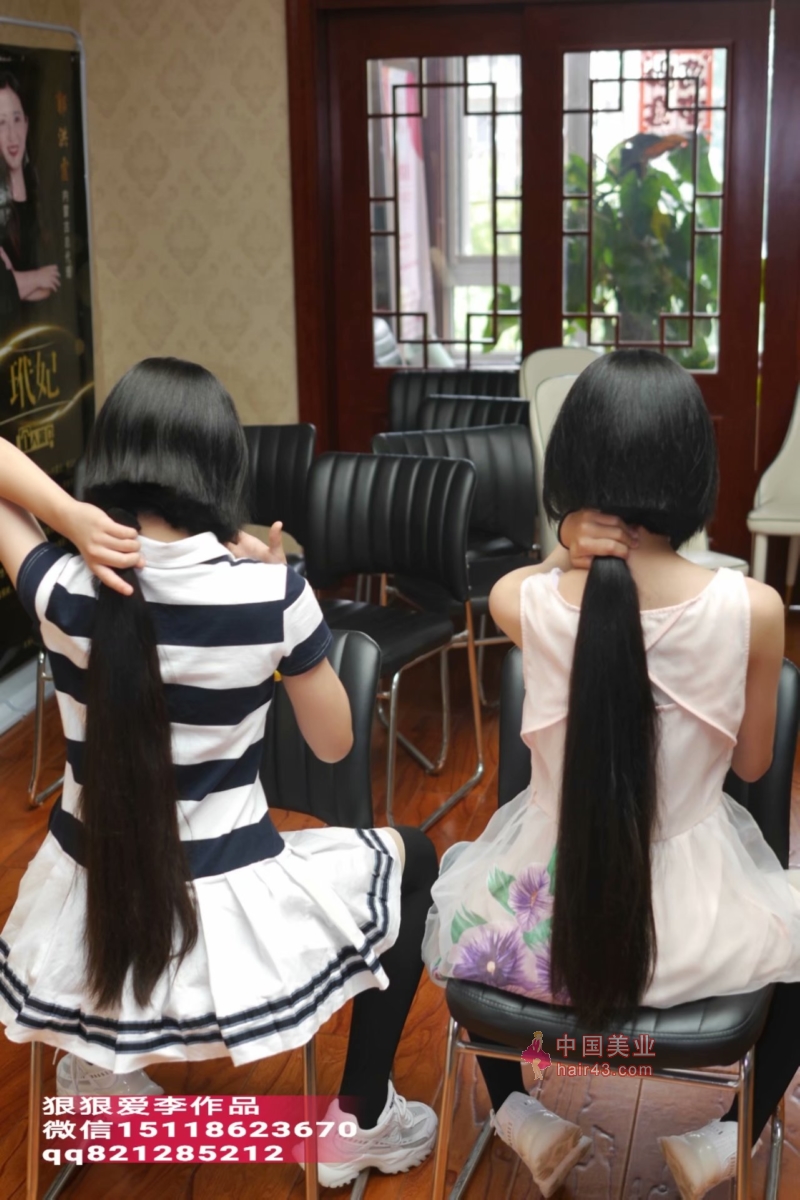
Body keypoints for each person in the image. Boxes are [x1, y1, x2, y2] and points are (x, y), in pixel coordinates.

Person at [0, 357, 439, 1189]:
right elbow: (334, 746)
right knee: (415, 860)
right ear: (221, 467)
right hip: (224, 923)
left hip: (83, 916)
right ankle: (359, 1119)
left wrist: (67, 516)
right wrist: (285, 605)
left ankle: (99, 1069)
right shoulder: (273, 594)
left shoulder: (60, 589)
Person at [423, 348, 799, 1200]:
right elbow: (752, 763)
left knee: (458, 909)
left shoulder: (525, 601)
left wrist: (564, 549)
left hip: (538, 929)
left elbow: (531, 584)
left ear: (573, 467)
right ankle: (724, 1140)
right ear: (691, 470)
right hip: (696, 937)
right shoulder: (753, 609)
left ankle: (523, 1117)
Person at [0, 71, 60, 308]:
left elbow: (55, 282)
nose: (12, 135)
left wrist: (16, 280)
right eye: (1, 123)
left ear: (26, 124)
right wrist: (36, 277)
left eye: (16, 120)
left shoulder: (43, 198)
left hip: (48, 324)